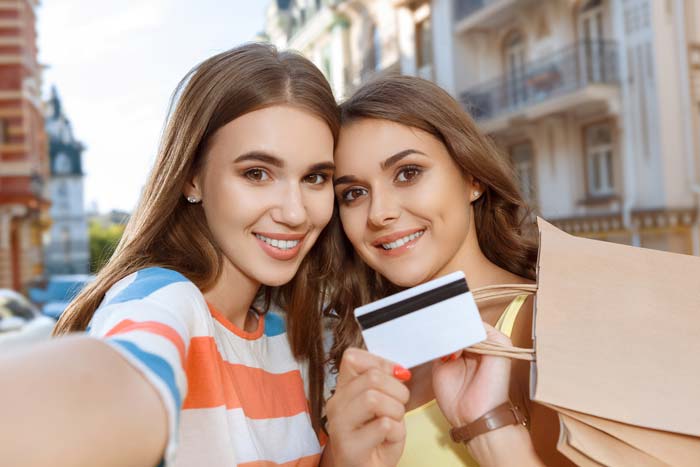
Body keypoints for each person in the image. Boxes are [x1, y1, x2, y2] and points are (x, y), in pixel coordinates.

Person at [0, 43, 341, 467]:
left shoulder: (287, 332)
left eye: (315, 177)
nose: (294, 212)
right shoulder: (166, 301)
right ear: (192, 179)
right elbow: (121, 374)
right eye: (257, 173)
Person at [324, 75, 572, 466]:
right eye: (353, 193)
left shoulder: (549, 325)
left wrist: (486, 427)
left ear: (472, 177)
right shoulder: (367, 351)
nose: (379, 213)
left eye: (408, 173)